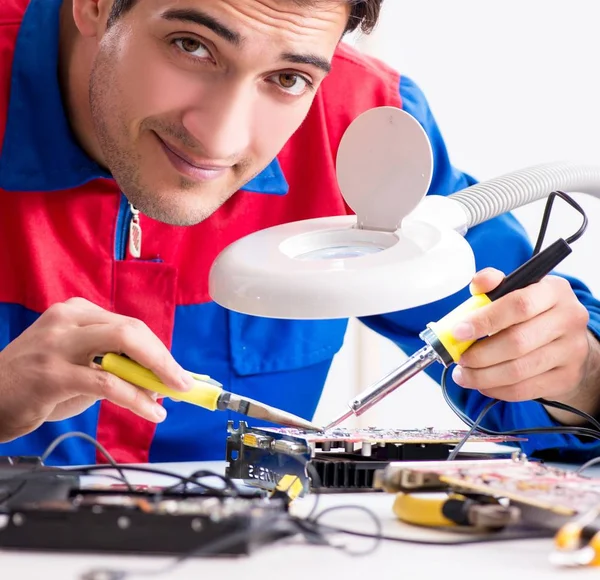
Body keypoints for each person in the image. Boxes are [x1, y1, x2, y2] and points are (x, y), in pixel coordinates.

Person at [0, 0, 599, 466]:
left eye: (288, 78)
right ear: (96, 6)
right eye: (192, 45)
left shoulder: (364, 130)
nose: (221, 139)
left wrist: (580, 377)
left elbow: (529, 349)